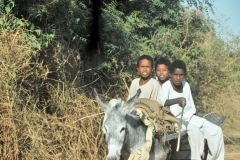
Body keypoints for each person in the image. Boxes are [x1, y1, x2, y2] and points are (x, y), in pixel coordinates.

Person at [159, 60, 224, 160]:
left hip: (189, 118)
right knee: (196, 132)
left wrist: (197, 116)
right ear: (170, 74)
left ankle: (215, 158)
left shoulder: (186, 85)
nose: (178, 78)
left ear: (184, 75)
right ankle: (196, 157)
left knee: (216, 130)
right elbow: (162, 102)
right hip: (175, 121)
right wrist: (178, 100)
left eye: (181, 75)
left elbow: (190, 107)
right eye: (175, 74)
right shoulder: (166, 86)